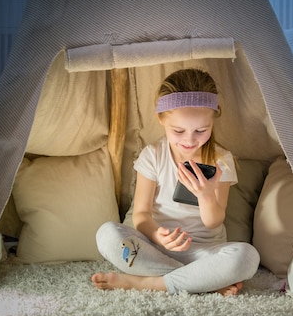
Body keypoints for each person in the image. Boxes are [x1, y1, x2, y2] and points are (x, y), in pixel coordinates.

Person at [91, 68, 260, 296]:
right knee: (107, 234)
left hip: (205, 253)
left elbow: (213, 222)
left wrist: (206, 195)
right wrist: (156, 234)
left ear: (213, 120)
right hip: (155, 250)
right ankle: (200, 281)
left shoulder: (221, 160)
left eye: (201, 130)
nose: (190, 140)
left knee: (247, 257)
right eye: (178, 130)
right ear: (161, 119)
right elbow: (141, 214)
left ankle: (145, 283)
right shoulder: (153, 155)